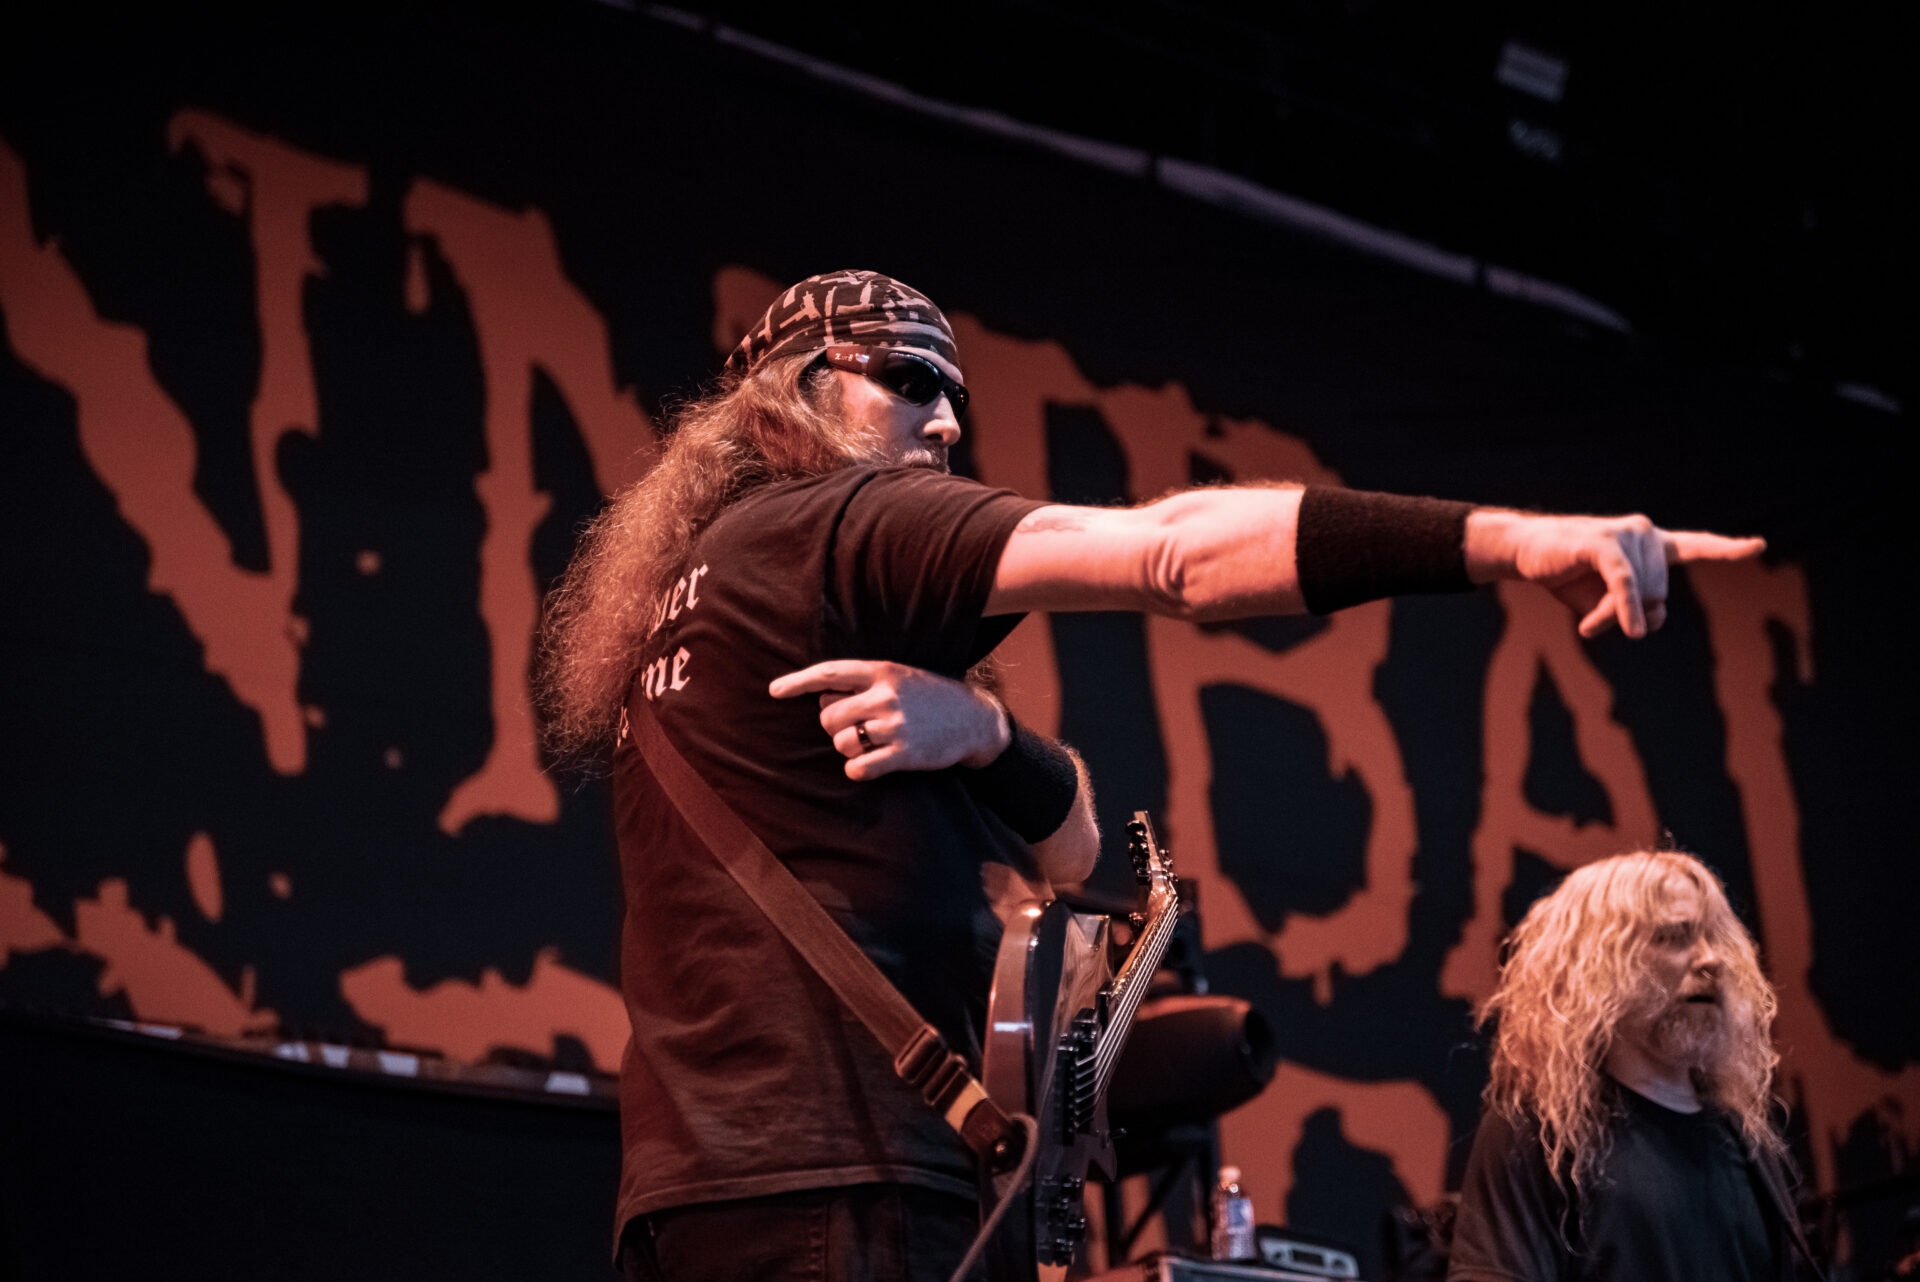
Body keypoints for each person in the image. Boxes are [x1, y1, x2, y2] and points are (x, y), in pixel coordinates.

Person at [535, 269, 1765, 1281]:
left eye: (956, 394)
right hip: (848, 1184)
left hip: (686, 1193)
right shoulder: (837, 523)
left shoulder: (695, 609)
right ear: (788, 406)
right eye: (906, 382)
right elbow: (1176, 556)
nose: (947, 423)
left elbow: (1092, 867)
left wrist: (985, 734)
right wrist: (1516, 540)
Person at [1447, 850, 1825, 1281]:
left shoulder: (1742, 1138)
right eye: (1675, 936)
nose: (1711, 959)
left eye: (1714, 938)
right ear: (1602, 966)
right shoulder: (1541, 1134)